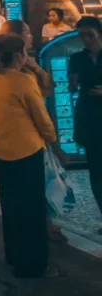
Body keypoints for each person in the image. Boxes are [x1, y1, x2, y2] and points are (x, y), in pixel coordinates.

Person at [0, 33, 59, 278]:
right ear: (19, 55)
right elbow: (42, 117)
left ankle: (15, 256)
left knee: (12, 206)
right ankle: (34, 265)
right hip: (27, 150)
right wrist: (54, 142)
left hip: (2, 150)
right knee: (32, 211)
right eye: (26, 50)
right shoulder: (23, 81)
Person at [69, 15, 102, 230]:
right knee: (97, 170)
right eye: (82, 36)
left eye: (90, 35)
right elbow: (72, 84)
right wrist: (72, 83)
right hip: (90, 117)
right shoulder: (77, 59)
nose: (86, 40)